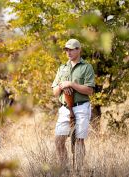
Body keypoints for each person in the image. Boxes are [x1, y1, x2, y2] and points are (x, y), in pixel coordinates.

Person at [52, 39, 95, 170]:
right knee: (59, 141)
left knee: (79, 141)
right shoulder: (62, 68)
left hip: (81, 107)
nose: (68, 52)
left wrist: (71, 84)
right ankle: (64, 170)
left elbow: (89, 90)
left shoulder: (87, 67)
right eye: (67, 50)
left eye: (71, 49)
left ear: (79, 50)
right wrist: (62, 87)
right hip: (65, 108)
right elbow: (55, 92)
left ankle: (79, 171)